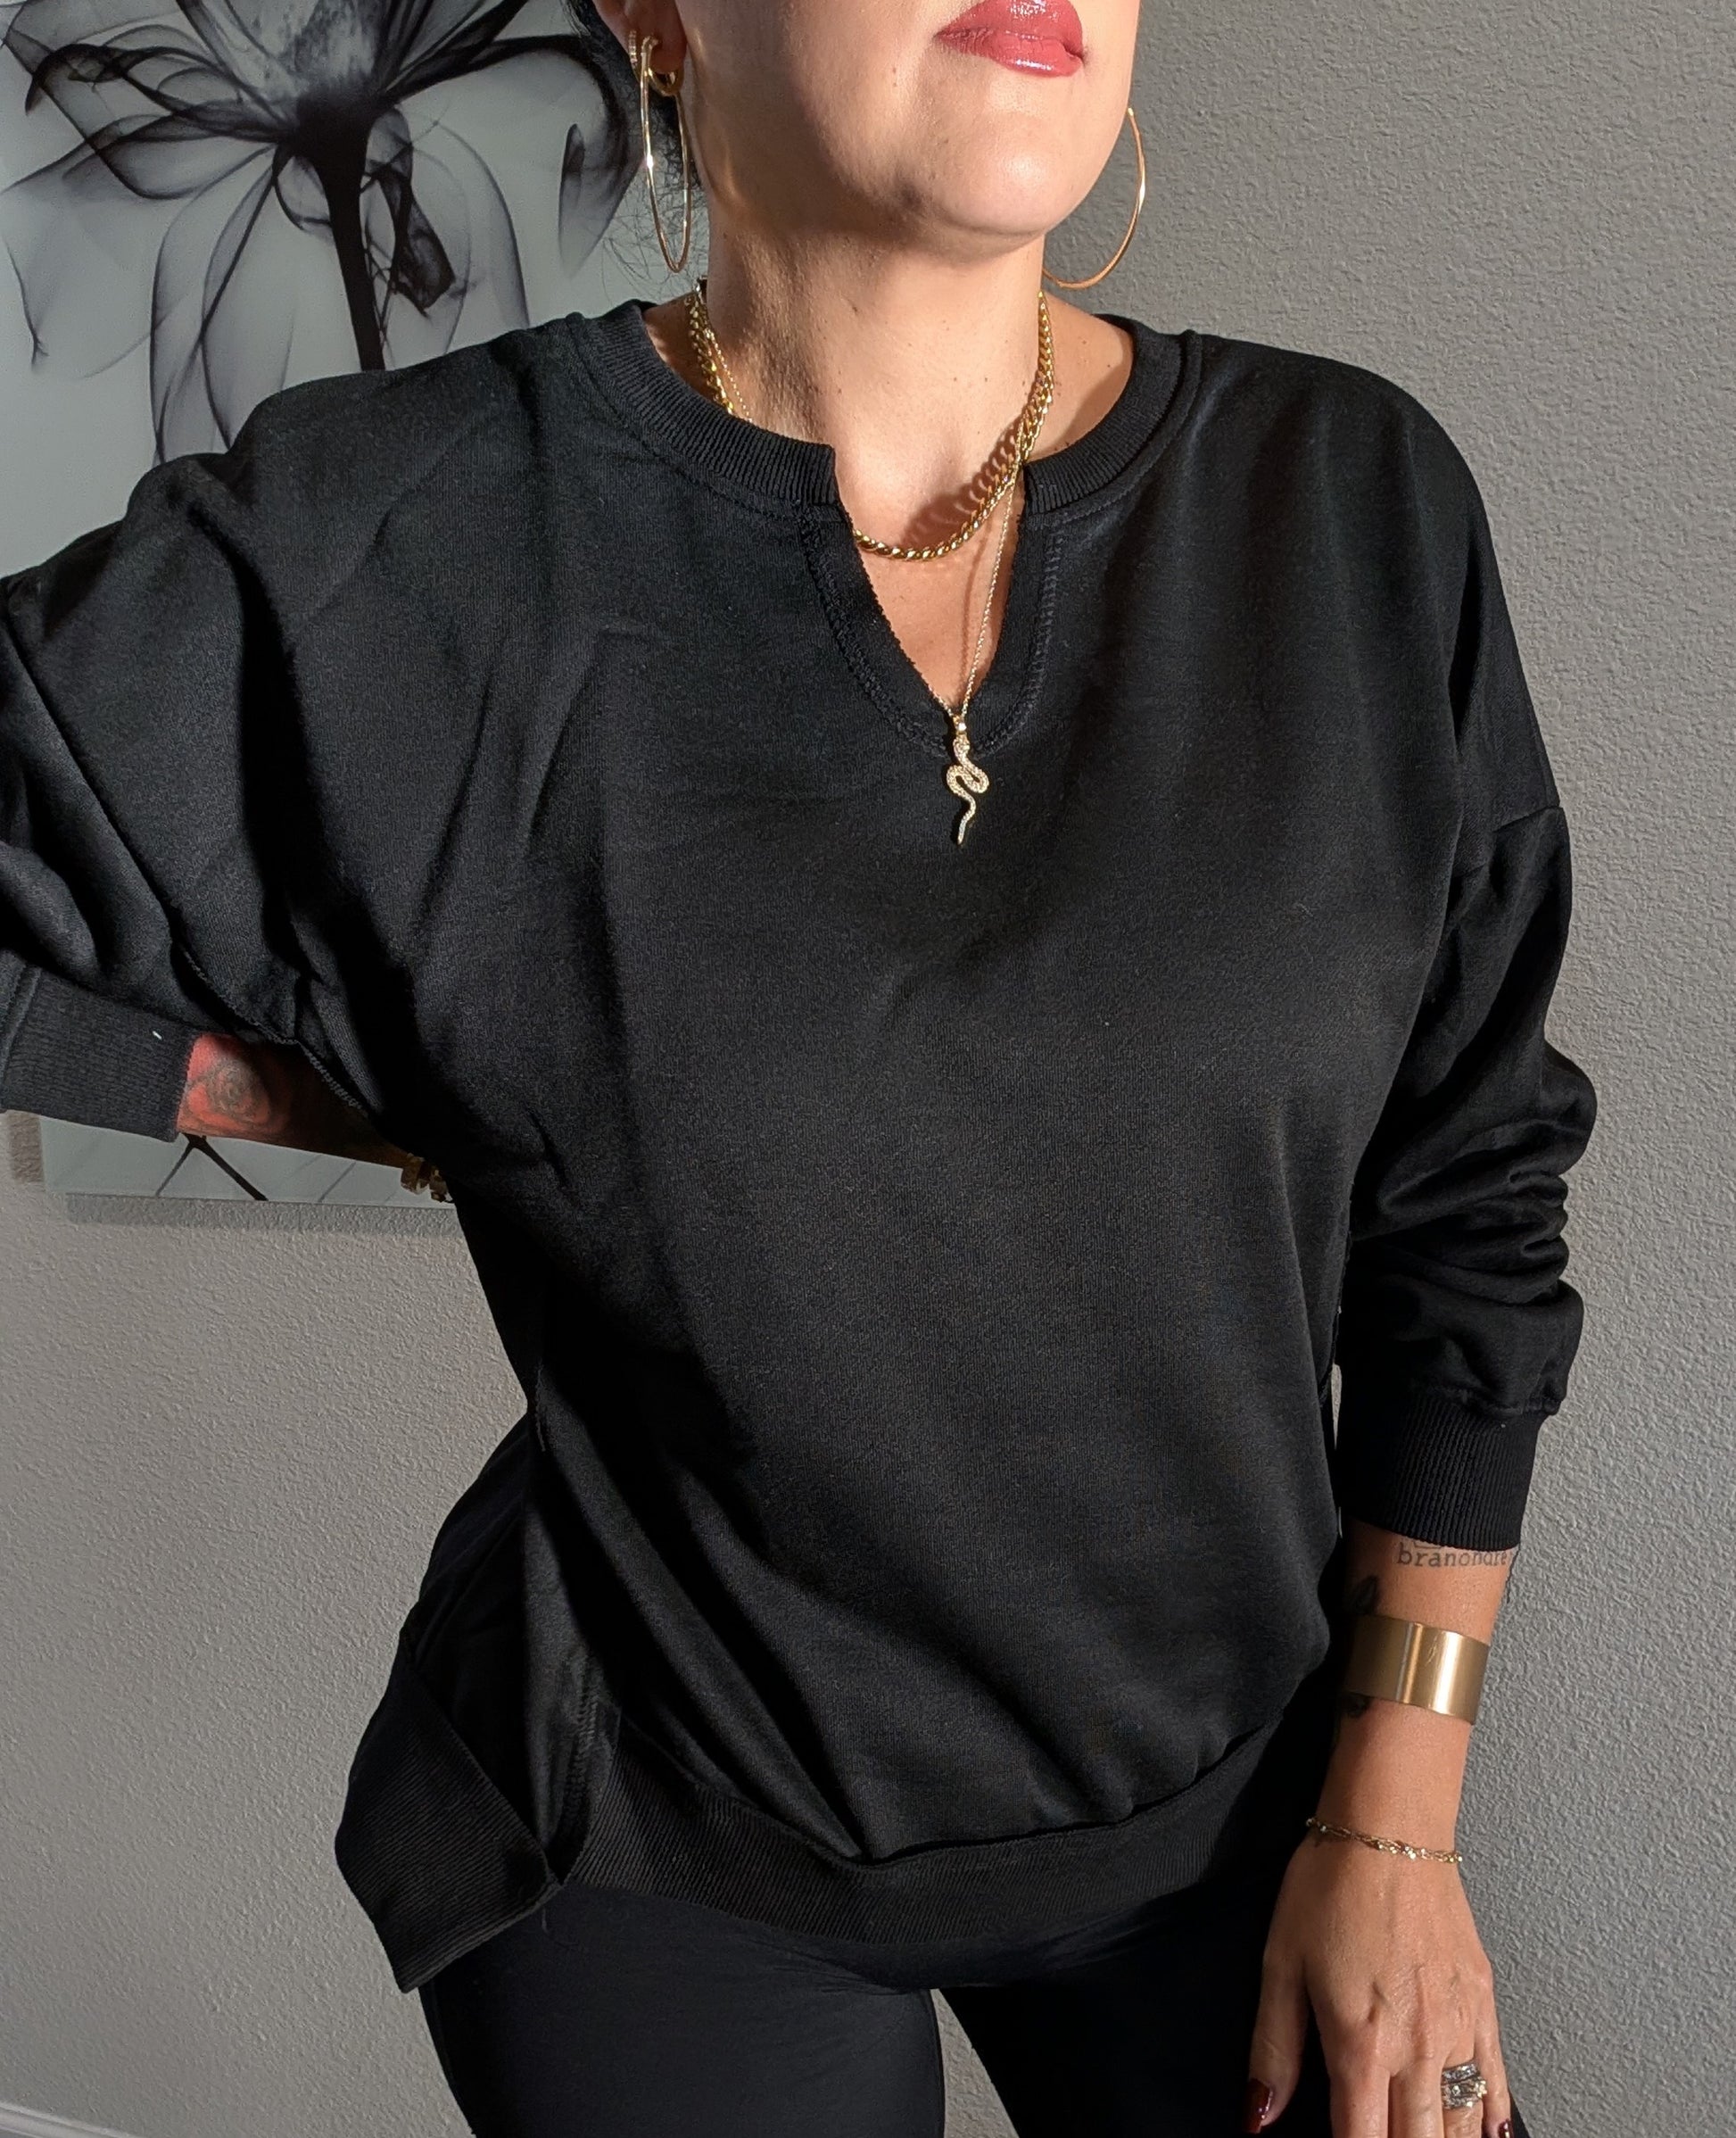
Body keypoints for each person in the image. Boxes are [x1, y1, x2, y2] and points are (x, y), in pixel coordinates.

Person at [0, 1, 1596, 2132]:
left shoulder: (1350, 503)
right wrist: (344, 1080)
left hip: (1250, 1799)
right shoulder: (394, 533)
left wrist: (1395, 1818)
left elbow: (1465, 1194)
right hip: (659, 1832)